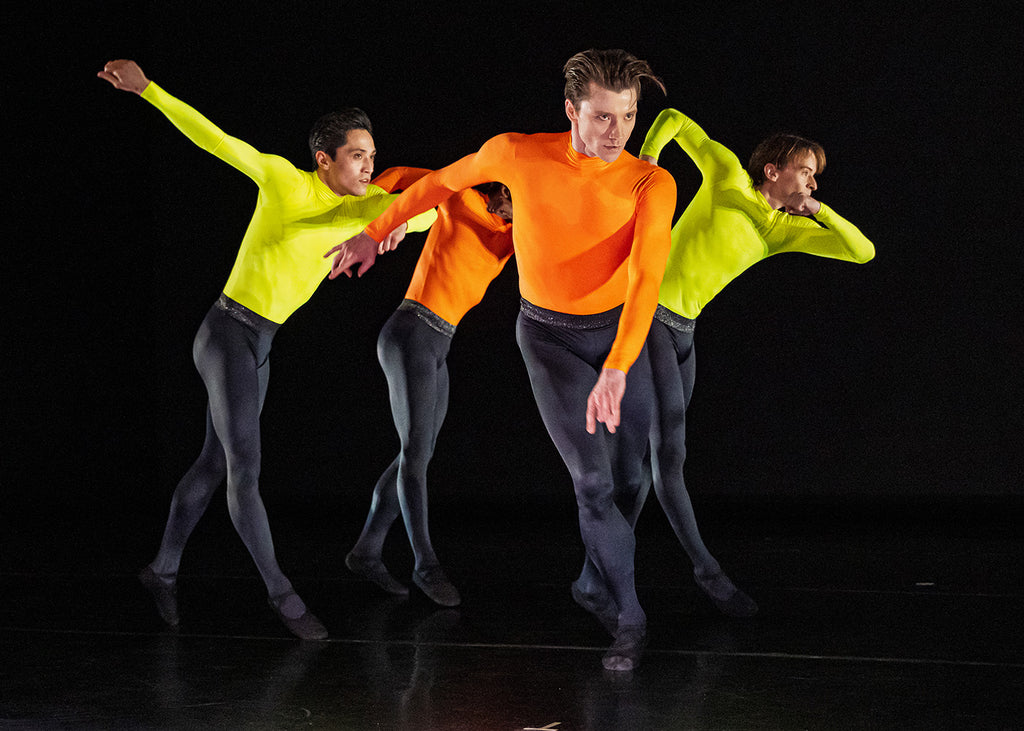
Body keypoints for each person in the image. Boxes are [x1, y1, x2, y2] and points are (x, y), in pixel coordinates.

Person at [326, 49, 677, 671]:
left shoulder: (650, 182)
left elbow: (648, 275)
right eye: (601, 116)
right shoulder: (516, 154)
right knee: (593, 483)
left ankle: (592, 580)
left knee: (633, 479)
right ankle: (629, 619)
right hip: (549, 338)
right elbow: (437, 182)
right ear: (571, 110)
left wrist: (618, 366)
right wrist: (374, 229)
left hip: (620, 337)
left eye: (627, 117)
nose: (616, 132)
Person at [97, 59, 434, 640]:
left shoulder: (365, 204)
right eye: (357, 155)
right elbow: (217, 141)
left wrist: (399, 221)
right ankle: (282, 594)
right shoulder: (285, 180)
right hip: (226, 332)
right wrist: (149, 89)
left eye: (372, 156)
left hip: (261, 343)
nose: (369, 166)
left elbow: (427, 210)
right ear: (324, 159)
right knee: (244, 469)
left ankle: (162, 569)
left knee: (214, 462)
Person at [631, 108, 876, 616]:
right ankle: (706, 570)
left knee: (650, 463)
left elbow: (863, 252)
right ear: (773, 169)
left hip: (684, 333)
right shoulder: (727, 176)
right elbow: (673, 118)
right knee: (667, 454)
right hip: (648, 318)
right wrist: (647, 163)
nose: (812, 182)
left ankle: (599, 570)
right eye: (805, 171)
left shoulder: (780, 231)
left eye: (815, 176)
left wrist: (818, 210)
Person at [343, 168, 514, 607]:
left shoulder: (514, 235)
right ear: (502, 189)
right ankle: (425, 564)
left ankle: (366, 550)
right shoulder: (462, 197)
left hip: (439, 342)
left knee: (418, 452)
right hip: (410, 332)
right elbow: (406, 177)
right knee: (416, 452)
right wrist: (375, 208)